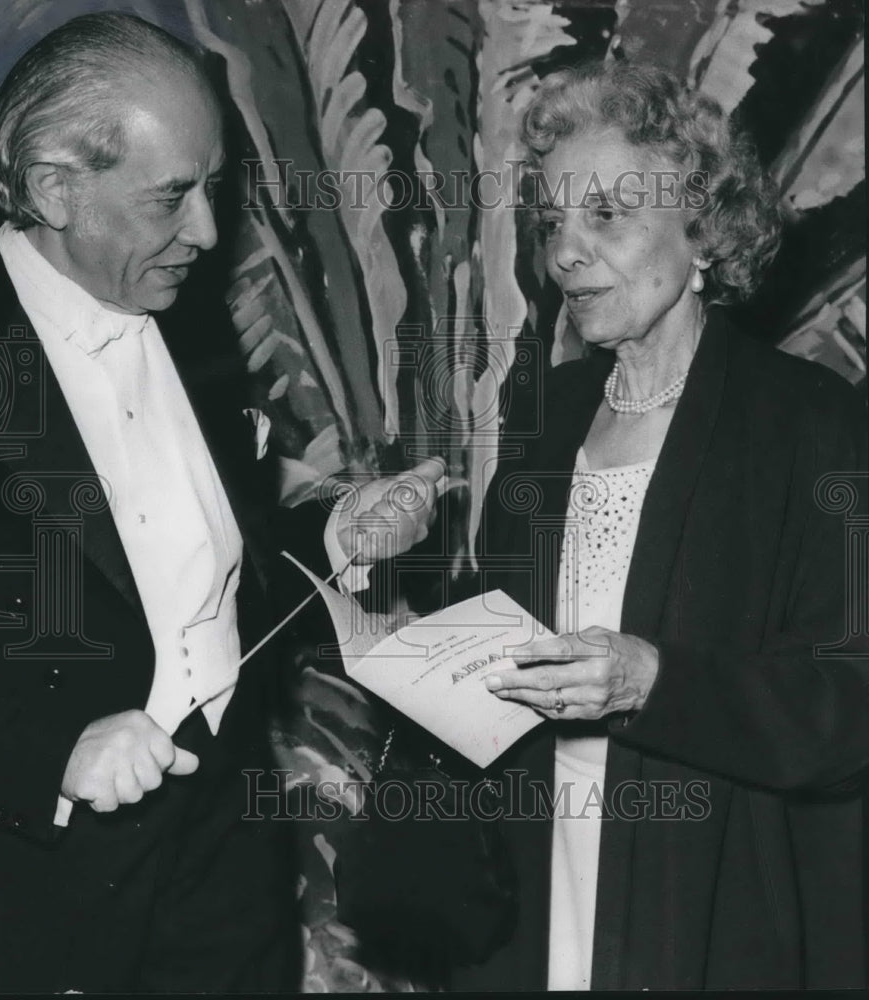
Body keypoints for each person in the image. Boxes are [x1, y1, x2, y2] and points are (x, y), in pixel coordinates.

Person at [334, 61, 868, 990]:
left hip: (703, 885)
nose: (565, 254)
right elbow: (501, 641)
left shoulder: (808, 423)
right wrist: (382, 601)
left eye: (606, 216)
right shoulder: (548, 410)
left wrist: (651, 681)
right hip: (531, 875)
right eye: (551, 223)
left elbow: (844, 702)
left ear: (703, 228)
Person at [0, 11, 354, 991]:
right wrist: (49, 751)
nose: (210, 231)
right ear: (55, 188)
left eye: (213, 188)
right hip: (36, 907)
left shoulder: (188, 313)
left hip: (228, 875)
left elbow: (212, 562)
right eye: (171, 196)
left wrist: (331, 532)